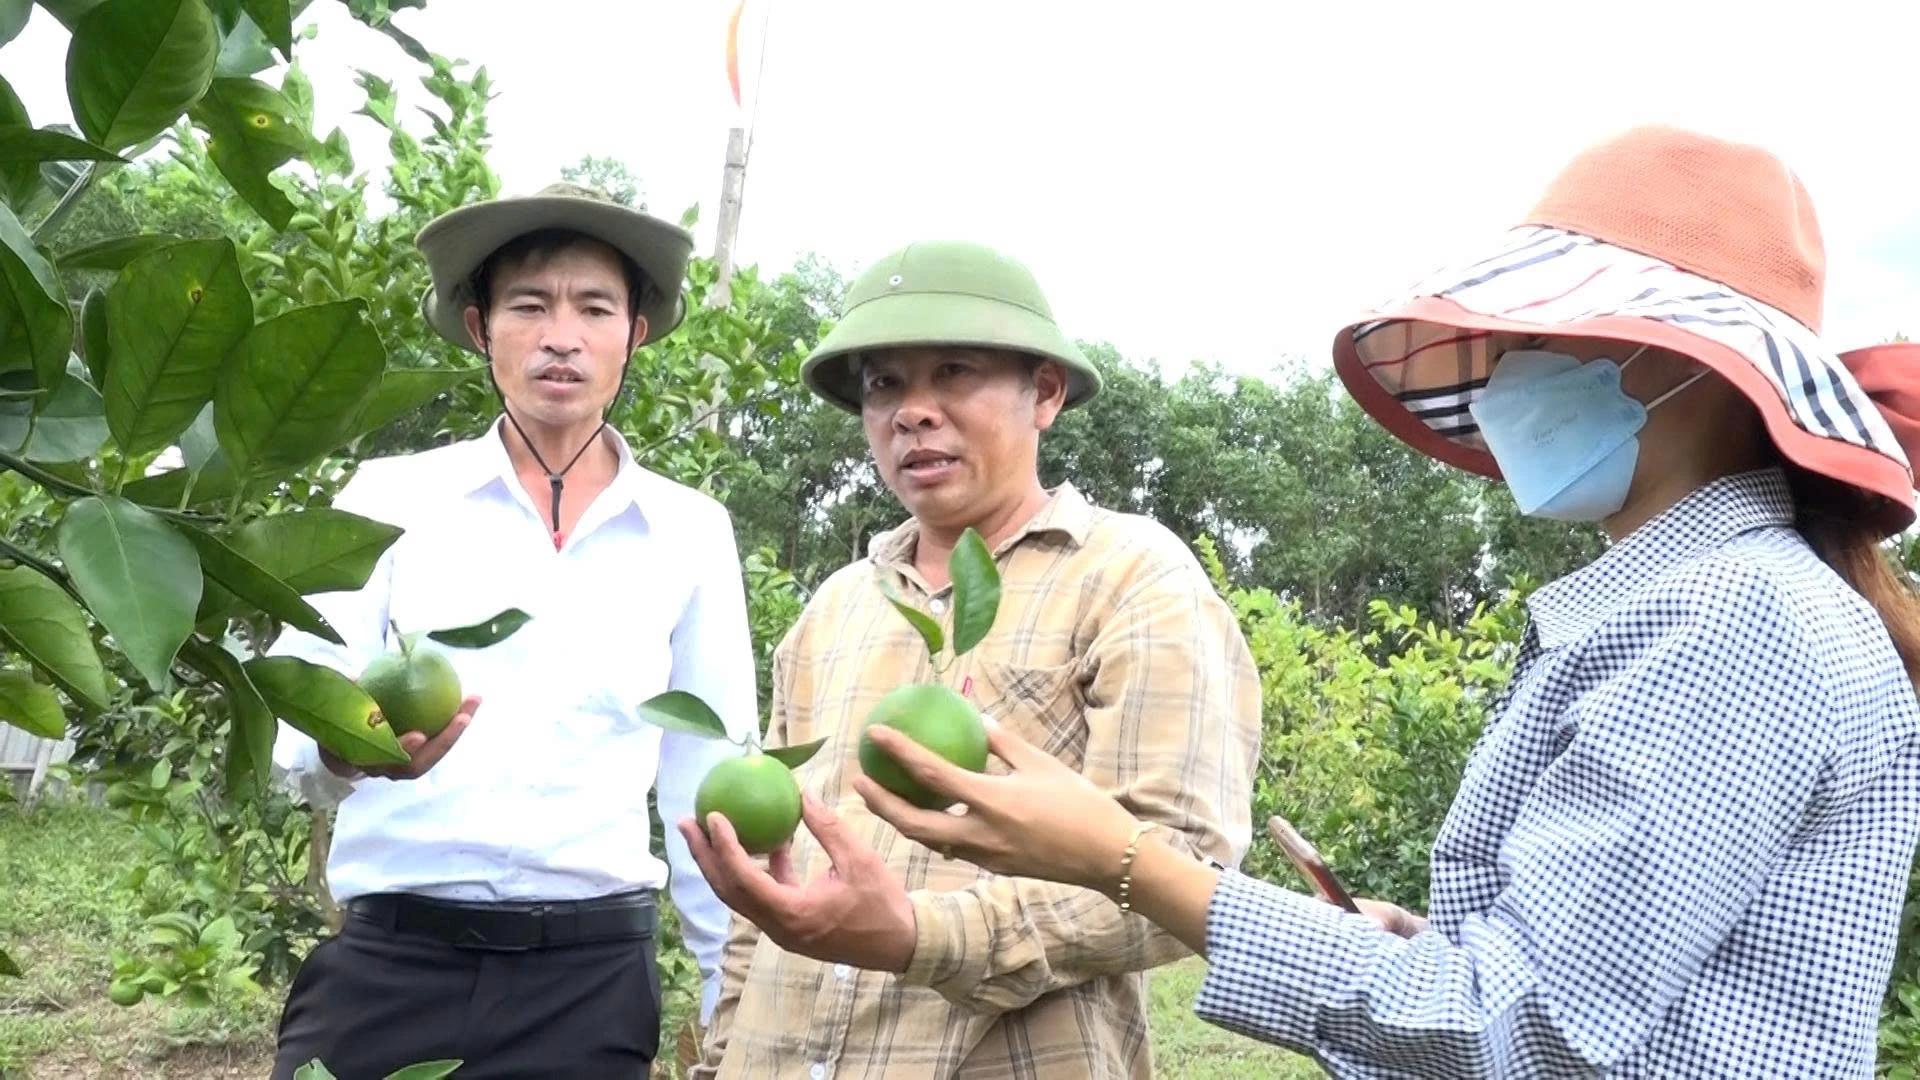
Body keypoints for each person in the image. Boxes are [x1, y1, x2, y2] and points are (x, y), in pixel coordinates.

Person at [832, 127, 1920, 1076]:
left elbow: (1519, 1029)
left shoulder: (1736, 621)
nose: (1502, 379)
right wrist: (1417, 953)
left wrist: (1124, 859)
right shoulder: (1705, 603)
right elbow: (1566, 986)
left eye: (1541, 340)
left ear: (1686, 363)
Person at [681, 240, 1264, 1079]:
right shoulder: (837, 607)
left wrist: (921, 938)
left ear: (1046, 394)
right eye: (885, 385)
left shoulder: (1129, 579)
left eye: (953, 372)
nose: (912, 412)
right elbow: (769, 880)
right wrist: (724, 1055)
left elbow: (1182, 878)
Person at [266, 182, 760, 1079]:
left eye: (595, 307)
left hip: (591, 984)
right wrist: (347, 750)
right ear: (479, 326)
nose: (561, 335)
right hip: (390, 965)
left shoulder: (691, 532)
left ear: (634, 335)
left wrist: (735, 995)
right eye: (528, 305)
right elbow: (291, 702)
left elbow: (713, 772)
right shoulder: (386, 499)